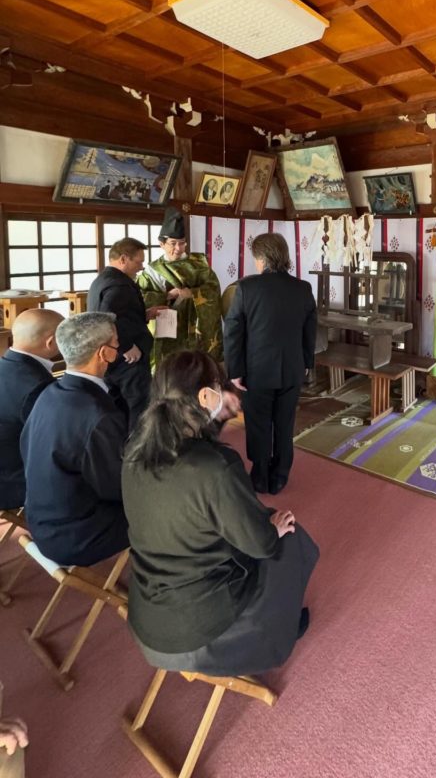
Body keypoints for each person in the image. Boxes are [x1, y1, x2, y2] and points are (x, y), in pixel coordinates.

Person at [122, 351, 318, 677]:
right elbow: (260, 544)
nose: (224, 391)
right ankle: (280, 626)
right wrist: (272, 529)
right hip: (196, 632)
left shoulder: (135, 450)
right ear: (204, 396)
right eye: (218, 384)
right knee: (286, 539)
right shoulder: (215, 467)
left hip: (149, 619)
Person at [20, 313, 129, 566]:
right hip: (77, 536)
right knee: (173, 505)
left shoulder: (48, 392)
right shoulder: (99, 415)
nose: (119, 348)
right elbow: (118, 488)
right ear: (104, 353)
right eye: (116, 343)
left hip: (41, 520)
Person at [224, 233, 316, 494]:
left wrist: (235, 370)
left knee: (258, 422)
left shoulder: (246, 288)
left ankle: (260, 474)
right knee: (285, 422)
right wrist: (306, 361)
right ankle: (280, 475)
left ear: (262, 259)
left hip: (256, 370)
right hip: (292, 368)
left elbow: (233, 332)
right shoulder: (302, 288)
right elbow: (310, 330)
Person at [87, 237, 163, 429]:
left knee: (119, 405)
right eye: (138, 261)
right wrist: (127, 345)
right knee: (138, 407)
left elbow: (120, 315)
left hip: (112, 356)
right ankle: (137, 445)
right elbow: (107, 317)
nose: (141, 267)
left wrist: (145, 314)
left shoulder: (103, 279)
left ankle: (122, 443)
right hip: (127, 359)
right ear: (123, 259)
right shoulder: (118, 285)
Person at [138, 208, 223, 368]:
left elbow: (213, 290)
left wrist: (192, 293)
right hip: (166, 326)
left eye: (182, 243)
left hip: (195, 325)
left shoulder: (199, 265)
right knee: (169, 366)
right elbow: (140, 297)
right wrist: (167, 296)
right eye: (173, 243)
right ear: (162, 244)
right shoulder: (152, 271)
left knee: (197, 366)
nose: (178, 248)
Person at [0, 309, 63, 510]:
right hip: (13, 481)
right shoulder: (36, 385)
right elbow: (53, 443)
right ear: (51, 342)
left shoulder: (5, 365)